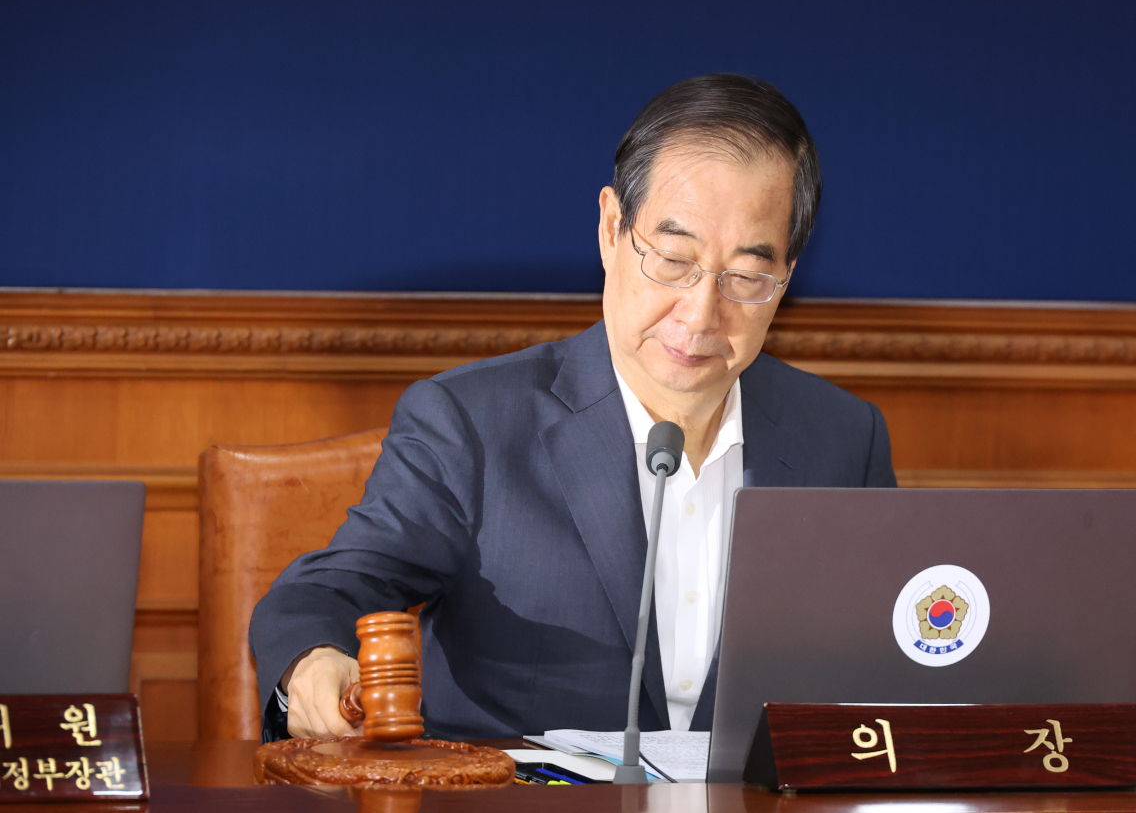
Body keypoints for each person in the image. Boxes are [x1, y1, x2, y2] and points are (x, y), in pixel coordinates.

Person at [250, 74, 896, 743]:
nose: (701, 312)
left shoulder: (844, 438)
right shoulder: (469, 425)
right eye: (674, 260)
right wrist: (311, 661)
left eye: (746, 277)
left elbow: (891, 655)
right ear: (612, 228)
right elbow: (326, 591)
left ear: (787, 274)